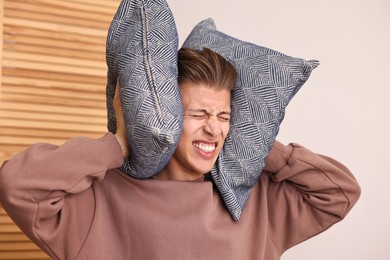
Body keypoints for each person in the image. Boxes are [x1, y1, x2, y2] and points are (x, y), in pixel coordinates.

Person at [0, 48, 360, 260]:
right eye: (198, 115)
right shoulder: (98, 200)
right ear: (166, 116)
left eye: (224, 116)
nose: (214, 128)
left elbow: (339, 192)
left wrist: (257, 143)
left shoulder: (255, 201)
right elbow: (17, 184)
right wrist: (119, 144)